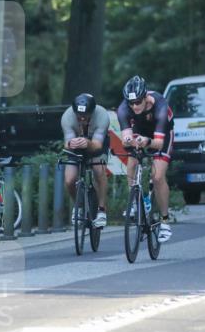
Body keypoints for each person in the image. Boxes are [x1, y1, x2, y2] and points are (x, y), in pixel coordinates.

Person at [115, 76, 175, 242]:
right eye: (131, 103)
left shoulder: (160, 106)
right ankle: (135, 201)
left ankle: (165, 221)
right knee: (132, 161)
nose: (134, 106)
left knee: (158, 177)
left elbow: (158, 143)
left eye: (138, 102)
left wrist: (147, 141)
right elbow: (126, 137)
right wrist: (129, 140)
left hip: (161, 133)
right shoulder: (123, 109)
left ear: (146, 97)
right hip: (140, 129)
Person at [61, 93, 110, 228]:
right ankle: (79, 205)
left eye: (86, 116)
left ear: (92, 112)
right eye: (79, 116)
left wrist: (88, 143)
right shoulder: (67, 117)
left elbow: (98, 145)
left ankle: (101, 210)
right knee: (69, 179)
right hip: (76, 145)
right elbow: (67, 143)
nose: (82, 119)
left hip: (96, 144)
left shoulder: (102, 116)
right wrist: (71, 143)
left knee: (98, 170)